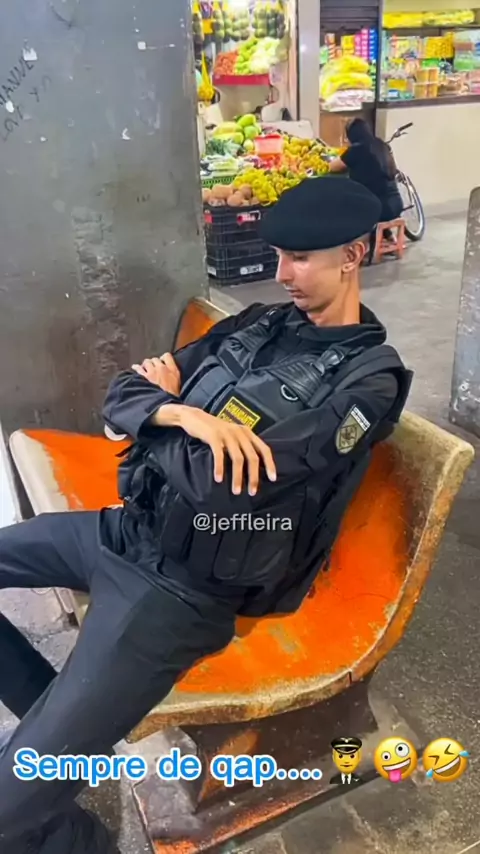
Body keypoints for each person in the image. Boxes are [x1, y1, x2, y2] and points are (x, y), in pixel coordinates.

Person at [0, 176, 412, 854]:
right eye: (278, 256)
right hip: (126, 531)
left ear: (353, 255)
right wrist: (182, 414)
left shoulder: (369, 381)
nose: (283, 274)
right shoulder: (259, 324)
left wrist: (155, 418)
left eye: (301, 258)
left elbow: (223, 492)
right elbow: (121, 393)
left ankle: (58, 794)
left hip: (182, 594)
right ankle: (65, 732)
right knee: (41, 756)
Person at [329, 117, 403, 241]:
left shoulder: (357, 149)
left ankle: (354, 241)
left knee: (345, 203)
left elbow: (333, 167)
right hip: (396, 205)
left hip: (377, 209)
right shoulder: (382, 145)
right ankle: (388, 235)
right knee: (375, 192)